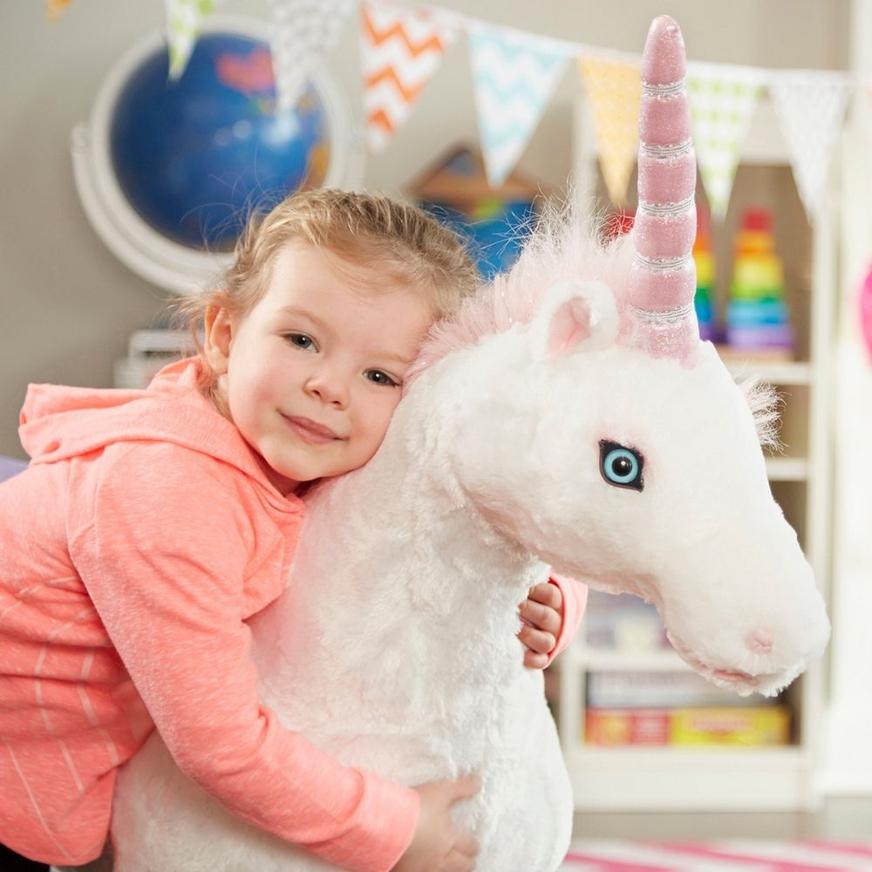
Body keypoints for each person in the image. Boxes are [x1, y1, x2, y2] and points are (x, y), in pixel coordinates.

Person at [0, 189, 587, 872]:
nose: (330, 387)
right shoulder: (168, 493)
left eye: (379, 375)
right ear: (224, 336)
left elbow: (479, 509)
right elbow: (219, 742)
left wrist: (554, 598)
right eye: (302, 340)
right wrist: (392, 830)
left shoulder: (302, 451)